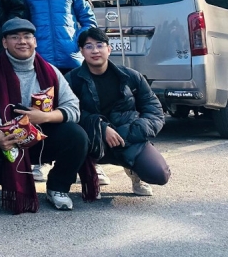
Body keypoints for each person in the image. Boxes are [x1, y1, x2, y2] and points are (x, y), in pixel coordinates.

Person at [0, 18, 97, 212]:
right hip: (8, 141)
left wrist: (44, 117)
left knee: (77, 135)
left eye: (27, 36)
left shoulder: (50, 71)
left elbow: (73, 108)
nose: (22, 41)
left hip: (43, 138)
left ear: (35, 41)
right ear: (5, 43)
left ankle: (58, 187)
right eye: (15, 37)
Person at [67, 28, 171, 196]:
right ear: (81, 51)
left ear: (109, 49)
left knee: (159, 174)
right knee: (73, 138)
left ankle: (134, 170)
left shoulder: (131, 77)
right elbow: (69, 113)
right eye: (88, 46)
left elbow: (154, 110)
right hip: (92, 140)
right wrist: (101, 128)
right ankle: (91, 170)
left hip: (128, 136)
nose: (95, 50)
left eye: (100, 45)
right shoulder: (72, 80)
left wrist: (133, 131)